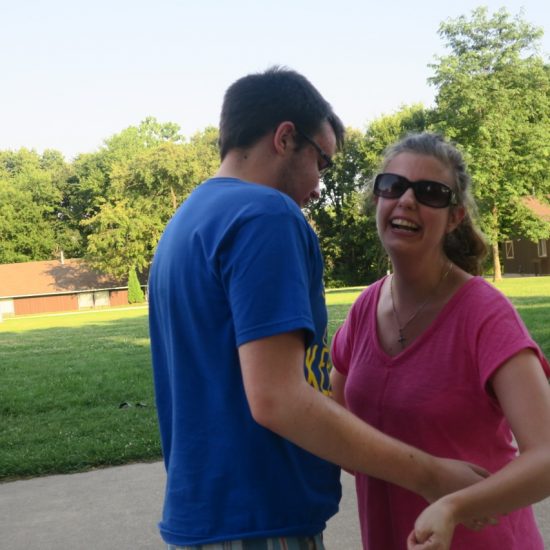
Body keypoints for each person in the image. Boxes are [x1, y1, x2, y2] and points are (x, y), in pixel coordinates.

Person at [148, 69, 486, 550]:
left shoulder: (187, 220)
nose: (319, 186)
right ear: (286, 138)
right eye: (321, 162)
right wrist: (430, 475)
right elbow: (278, 398)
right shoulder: (266, 214)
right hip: (261, 521)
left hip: (205, 518)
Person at [330, 131, 550, 550]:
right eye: (392, 185)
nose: (407, 200)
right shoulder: (363, 310)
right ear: (378, 199)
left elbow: (545, 457)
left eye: (431, 192)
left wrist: (453, 506)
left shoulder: (485, 314)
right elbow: (337, 424)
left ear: (455, 217)